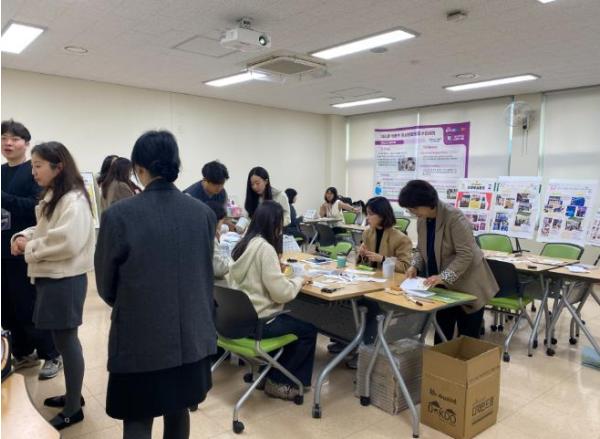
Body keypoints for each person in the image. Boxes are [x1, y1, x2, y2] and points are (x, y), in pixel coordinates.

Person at [95, 130, 217, 439]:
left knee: (138, 416)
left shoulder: (119, 216)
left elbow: (106, 285)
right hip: (191, 336)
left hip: (141, 336)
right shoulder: (203, 214)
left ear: (139, 168)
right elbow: (204, 272)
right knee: (179, 408)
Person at [11, 141, 95, 430]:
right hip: (54, 277)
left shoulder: (74, 199)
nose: (33, 171)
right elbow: (46, 229)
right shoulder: (55, 196)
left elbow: (66, 241)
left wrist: (29, 246)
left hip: (65, 280)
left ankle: (73, 409)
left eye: (38, 166)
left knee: (67, 343)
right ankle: (73, 395)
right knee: (63, 341)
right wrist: (23, 236)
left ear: (58, 167)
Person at [227, 201, 316, 401]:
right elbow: (281, 294)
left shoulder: (244, 243)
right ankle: (279, 382)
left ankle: (267, 374)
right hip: (259, 322)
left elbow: (255, 278)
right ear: (274, 224)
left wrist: (276, 271)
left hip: (237, 321)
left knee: (292, 325)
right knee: (307, 331)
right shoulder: (265, 248)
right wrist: (299, 280)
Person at [398, 180, 498, 343]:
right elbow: (421, 249)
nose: (412, 213)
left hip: (467, 284)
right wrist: (414, 266)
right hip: (442, 288)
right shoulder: (423, 220)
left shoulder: (454, 218)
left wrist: (443, 277)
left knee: (467, 339)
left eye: (414, 208)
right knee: (442, 333)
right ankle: (440, 360)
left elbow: (466, 254)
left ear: (428, 203)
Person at [1, 120, 62, 381]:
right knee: (7, 308)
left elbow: (36, 208)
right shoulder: (1, 172)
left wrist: (3, 198)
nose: (8, 143)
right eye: (4, 138)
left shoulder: (33, 171)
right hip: (3, 250)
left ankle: (52, 354)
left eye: (14, 138)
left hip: (25, 249)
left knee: (29, 306)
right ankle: (23, 352)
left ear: (25, 143)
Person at [357, 196, 412, 272]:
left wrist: (383, 259)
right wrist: (361, 255)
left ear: (382, 215)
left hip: (389, 278)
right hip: (370, 276)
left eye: (370, 214)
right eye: (367, 214)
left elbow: (405, 267)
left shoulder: (402, 239)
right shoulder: (367, 233)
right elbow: (363, 264)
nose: (367, 217)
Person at [205, 200, 232, 279]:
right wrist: (234, 260)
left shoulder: (204, 227)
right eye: (222, 222)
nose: (222, 224)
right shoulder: (210, 237)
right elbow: (219, 270)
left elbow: (223, 228)